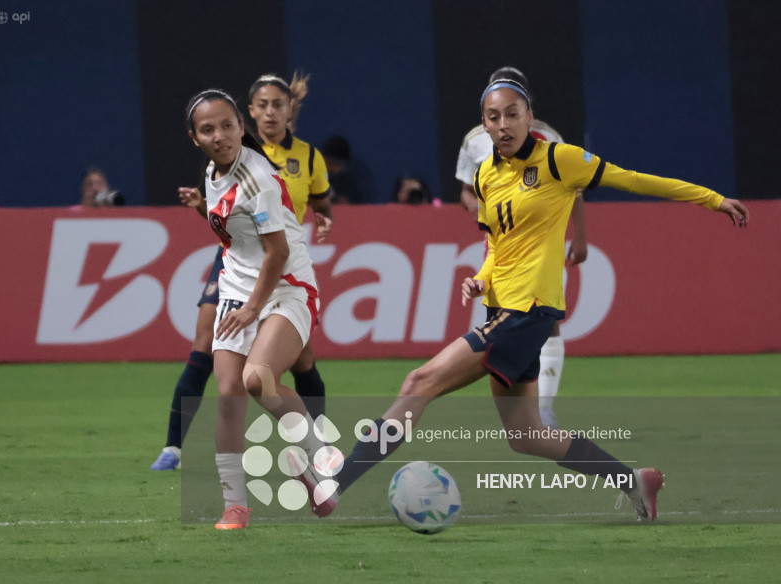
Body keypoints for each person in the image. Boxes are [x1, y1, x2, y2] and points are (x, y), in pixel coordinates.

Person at [297, 76, 749, 523]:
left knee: (419, 383)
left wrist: (711, 199)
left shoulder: (558, 160)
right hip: (502, 308)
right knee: (527, 434)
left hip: (528, 311)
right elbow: (500, 245)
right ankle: (634, 482)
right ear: (484, 125)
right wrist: (481, 277)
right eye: (494, 117)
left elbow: (632, 180)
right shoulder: (486, 174)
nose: (504, 124)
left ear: (529, 116)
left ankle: (334, 487)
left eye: (513, 114)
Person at [151, 73, 333, 472]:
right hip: (236, 261)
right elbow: (227, 222)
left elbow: (307, 215)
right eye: (262, 104)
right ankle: (175, 449)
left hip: (280, 268)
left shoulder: (294, 160)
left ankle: (318, 443)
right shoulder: (218, 165)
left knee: (297, 365)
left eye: (277, 104)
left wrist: (323, 218)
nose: (270, 111)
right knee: (212, 361)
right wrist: (202, 206)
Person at [456, 66, 586, 429]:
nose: (503, 119)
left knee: (545, 320)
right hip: (501, 243)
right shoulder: (475, 140)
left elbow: (573, 189)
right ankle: (521, 408)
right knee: (498, 317)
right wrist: (483, 212)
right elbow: (467, 190)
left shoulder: (549, 138)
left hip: (541, 241)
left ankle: (544, 407)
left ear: (527, 106)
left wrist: (581, 236)